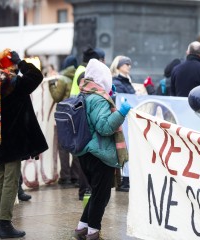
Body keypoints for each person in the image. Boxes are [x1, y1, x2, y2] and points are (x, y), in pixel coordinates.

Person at [0, 49, 48, 238]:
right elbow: (36, 75)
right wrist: (22, 62)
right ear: (10, 66)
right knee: (11, 181)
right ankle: (5, 224)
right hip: (13, 143)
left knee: (1, 180)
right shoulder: (15, 84)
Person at [74, 59, 131, 240]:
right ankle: (93, 232)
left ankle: (81, 228)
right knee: (101, 195)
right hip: (99, 154)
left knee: (98, 193)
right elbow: (105, 127)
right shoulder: (98, 99)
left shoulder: (84, 93)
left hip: (85, 153)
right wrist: (121, 113)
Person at [49, 55, 91, 200]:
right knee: (77, 148)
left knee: (63, 148)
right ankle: (75, 176)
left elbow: (56, 96)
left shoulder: (63, 79)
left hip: (65, 116)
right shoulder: (80, 76)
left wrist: (51, 85)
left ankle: (65, 177)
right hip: (76, 117)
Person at [110, 55, 135, 192]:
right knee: (123, 148)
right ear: (119, 66)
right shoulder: (118, 82)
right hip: (122, 119)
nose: (129, 66)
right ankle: (123, 181)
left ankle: (123, 181)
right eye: (126, 64)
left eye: (129, 63)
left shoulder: (126, 80)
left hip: (126, 120)